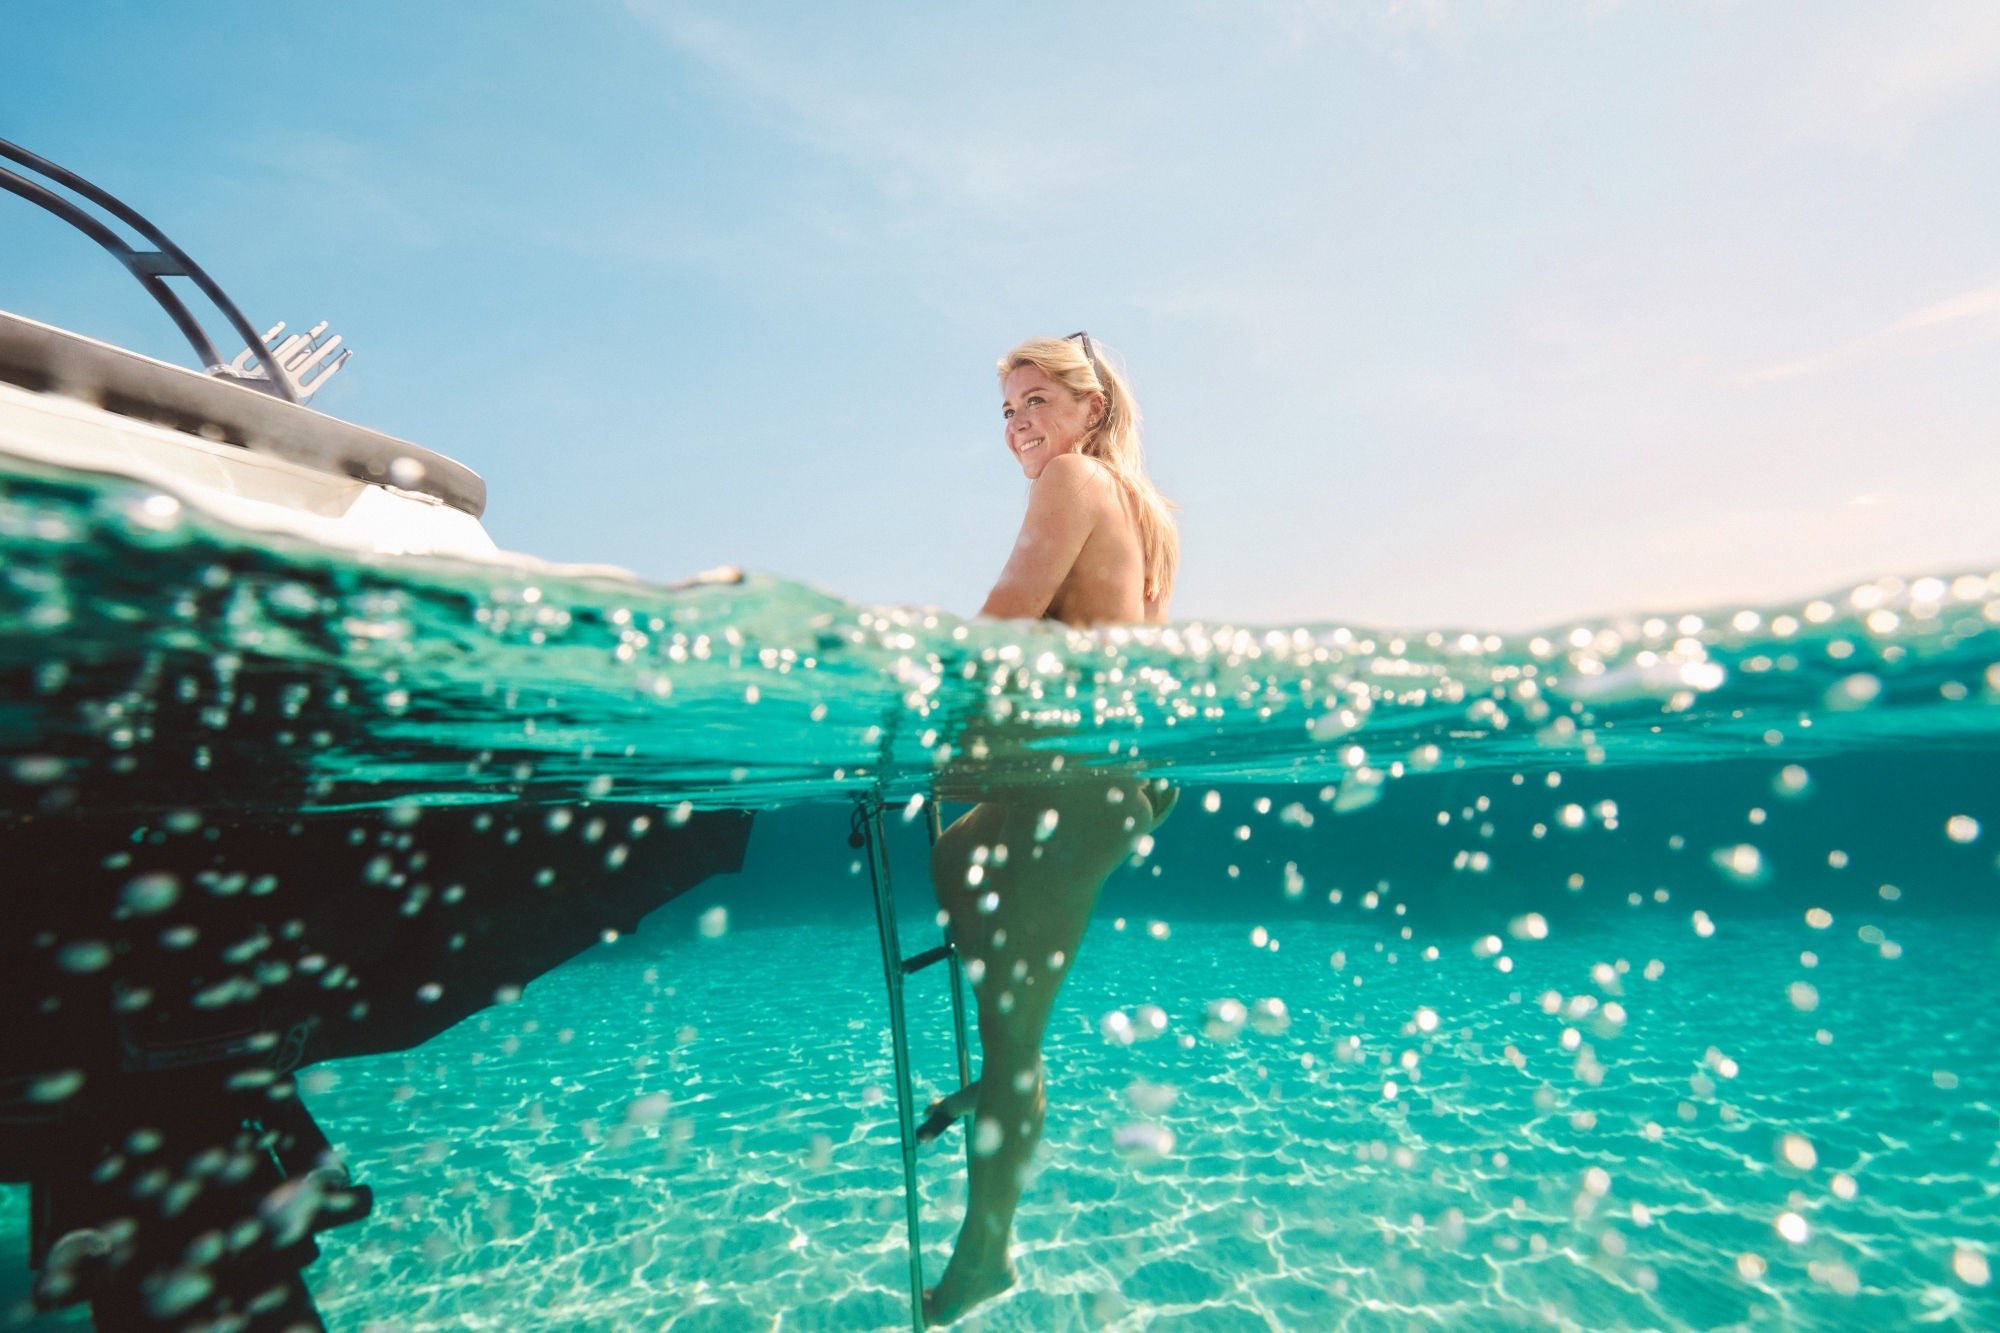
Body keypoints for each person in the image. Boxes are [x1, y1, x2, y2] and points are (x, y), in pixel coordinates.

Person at [923, 333, 1180, 1324]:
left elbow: (1001, 621)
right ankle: (996, 1084)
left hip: (1070, 789)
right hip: (1088, 786)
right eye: (1005, 411)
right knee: (955, 854)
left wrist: (917, 705)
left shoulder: (1072, 478)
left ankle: (984, 1255)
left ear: (1089, 412)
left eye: (1034, 400)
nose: (1018, 425)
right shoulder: (1146, 512)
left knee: (1014, 1043)